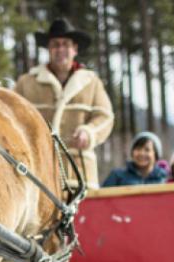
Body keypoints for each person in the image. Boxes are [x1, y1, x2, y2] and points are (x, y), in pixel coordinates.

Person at [15, 18, 114, 189]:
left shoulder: (91, 82)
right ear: (49, 48)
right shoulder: (27, 82)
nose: (60, 49)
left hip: (81, 174)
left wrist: (88, 132)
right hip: (38, 174)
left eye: (65, 44)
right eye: (55, 44)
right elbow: (12, 117)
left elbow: (105, 117)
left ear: (74, 49)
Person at [102, 131, 167, 187]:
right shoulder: (117, 176)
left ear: (156, 154)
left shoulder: (164, 178)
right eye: (138, 149)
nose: (141, 153)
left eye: (147, 150)